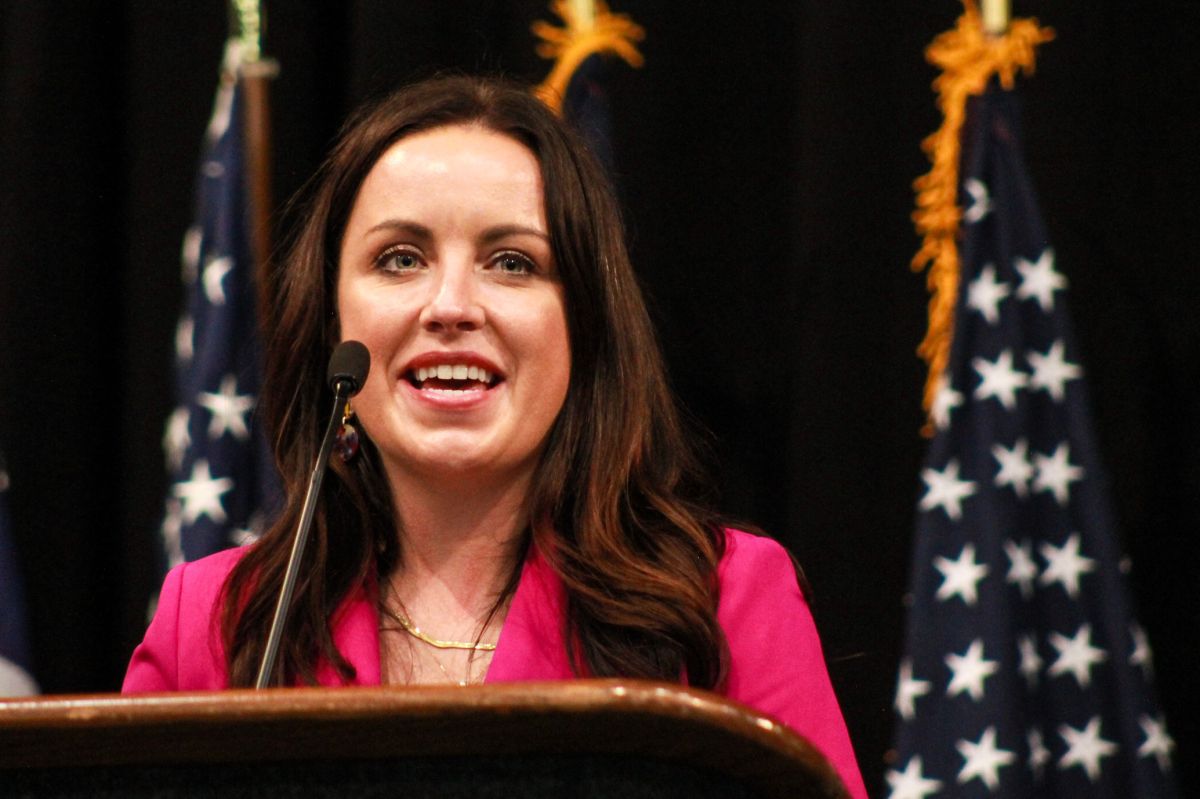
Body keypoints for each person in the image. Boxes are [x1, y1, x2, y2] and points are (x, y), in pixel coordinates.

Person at [123, 75, 867, 798]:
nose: (451, 305)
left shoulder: (723, 600)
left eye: (512, 263)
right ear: (332, 322)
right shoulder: (220, 617)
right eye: (400, 259)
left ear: (585, 327)